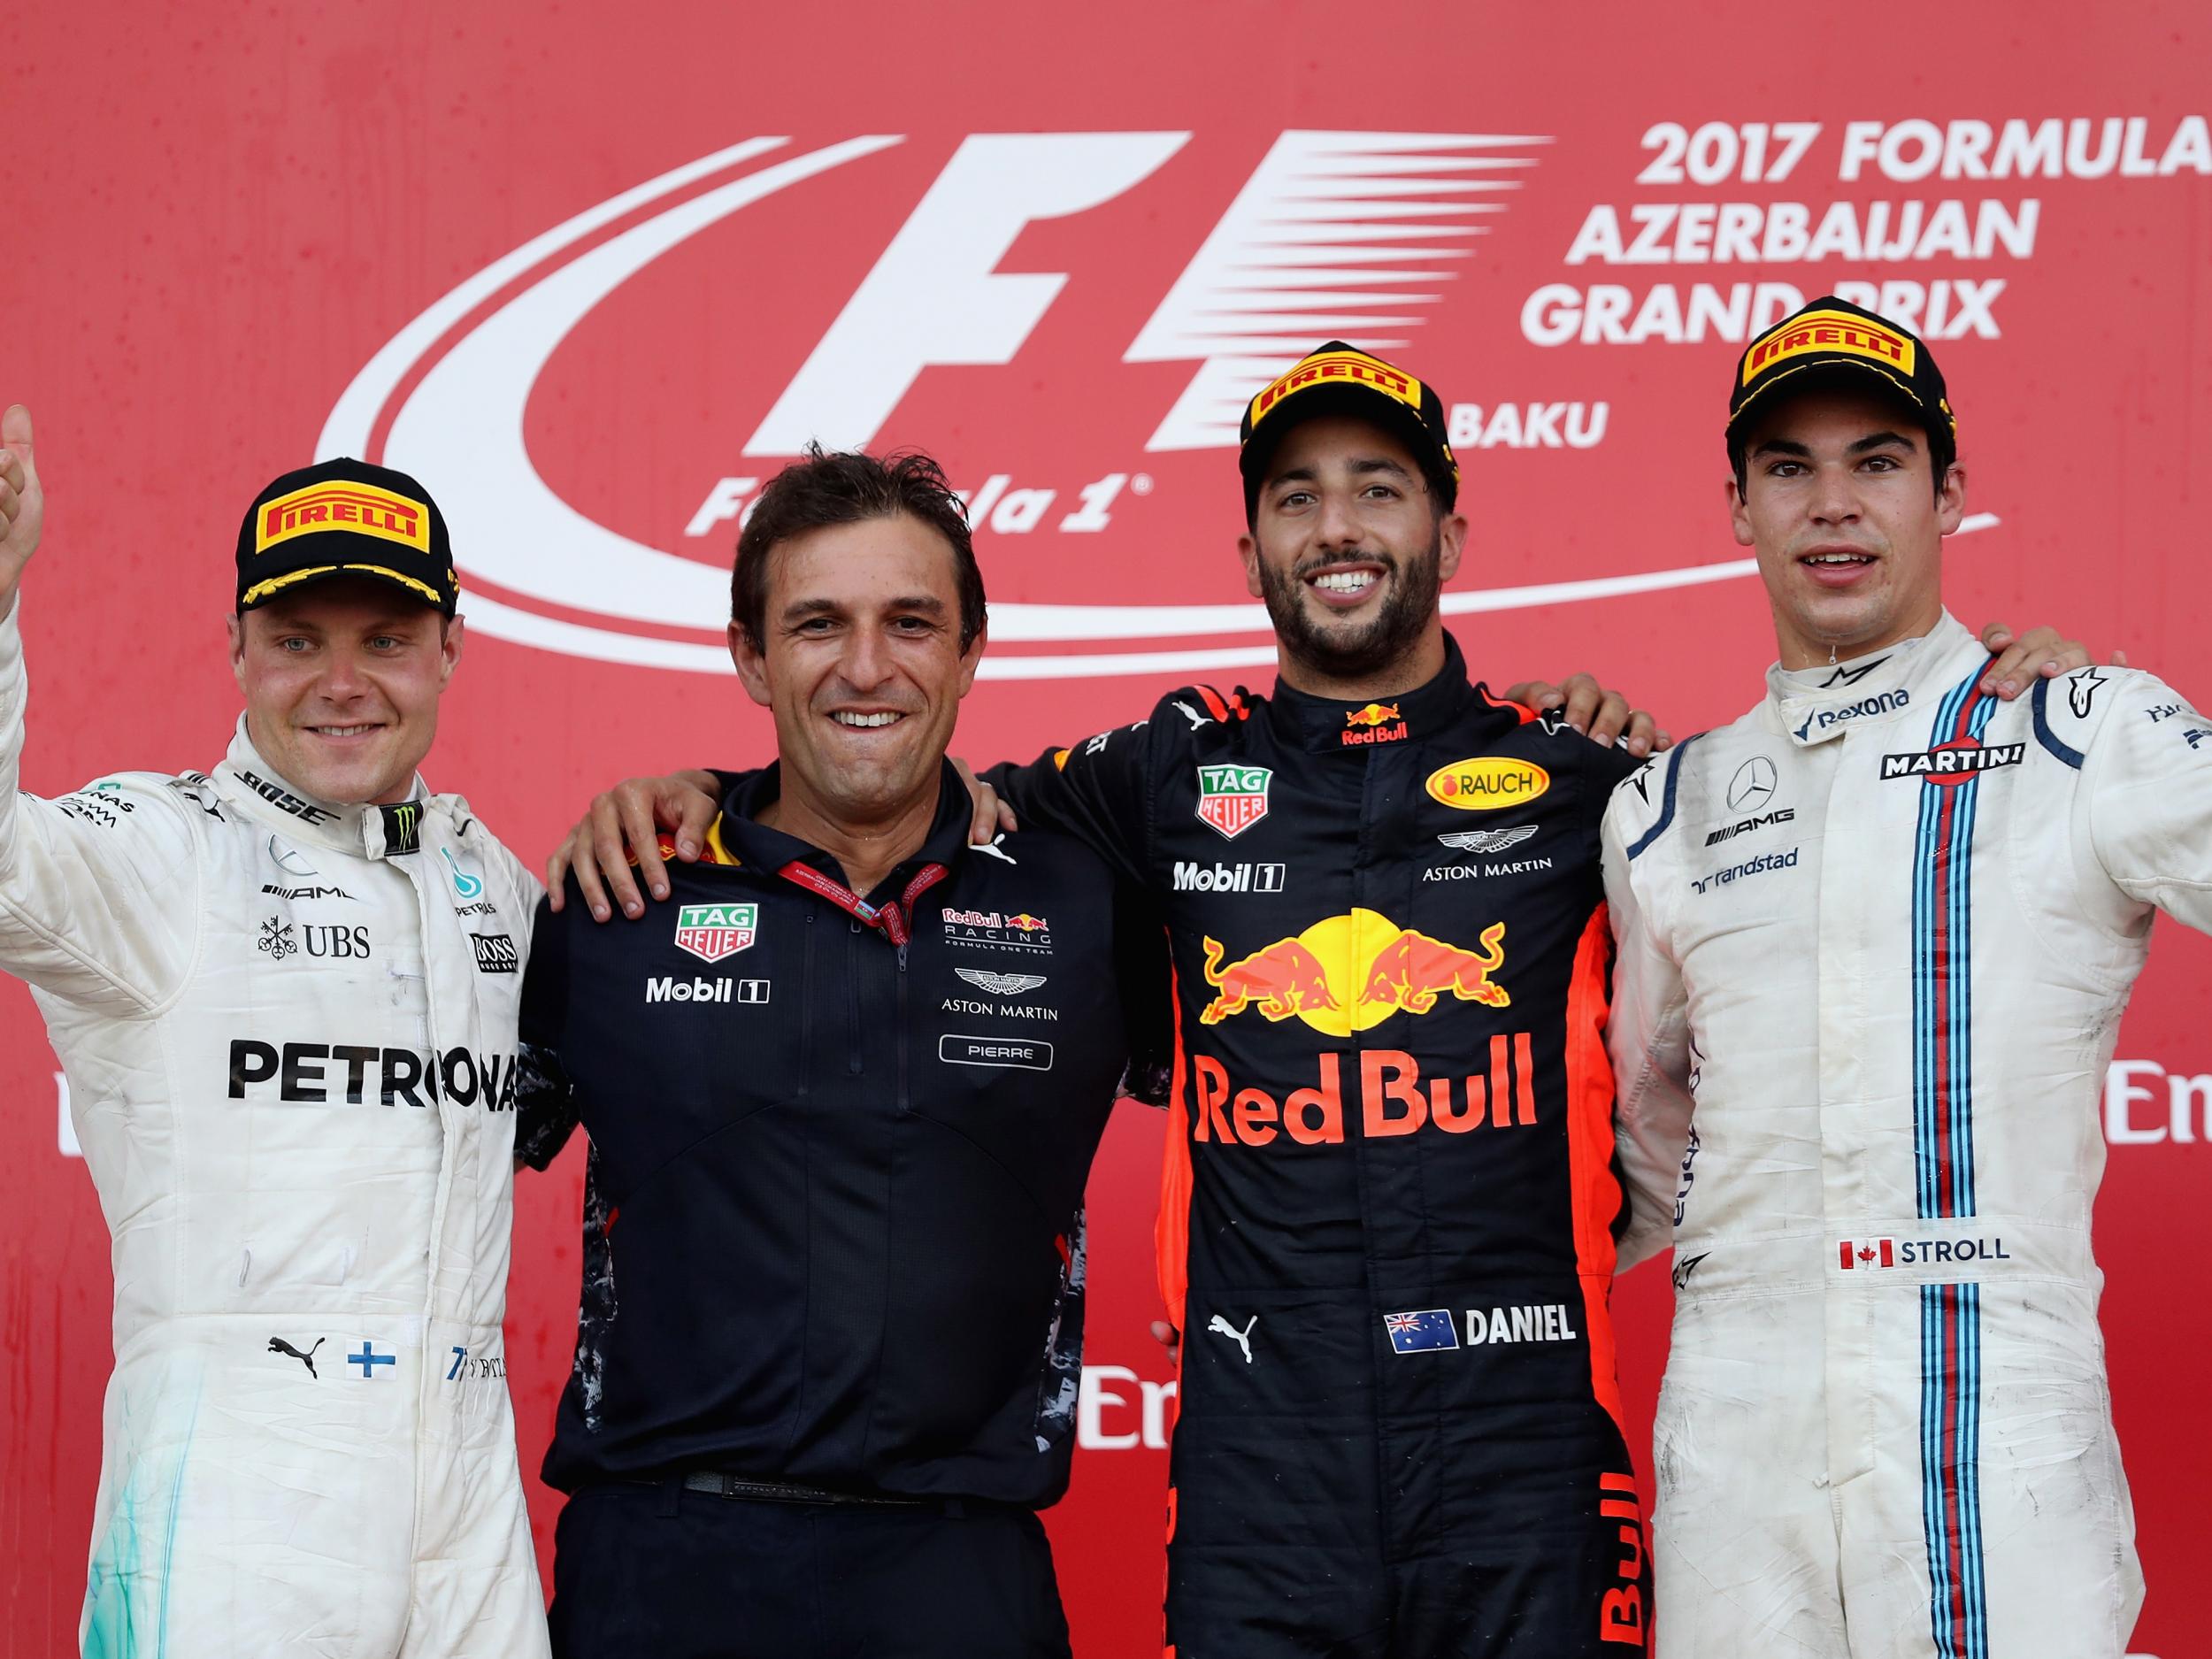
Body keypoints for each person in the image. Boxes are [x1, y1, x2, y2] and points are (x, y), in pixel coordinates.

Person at [553, 342, 2080, 1657]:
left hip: (1527, 1447)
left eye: (1378, 488)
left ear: (1451, 532)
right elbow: (885, 805)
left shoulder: (1599, 780)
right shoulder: (1146, 781)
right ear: (1249, 554)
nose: (1337, 526)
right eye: (1296, 496)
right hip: (1260, 1456)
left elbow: (1795, 935)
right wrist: (705, 796)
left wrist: (1998, 695)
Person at [1601, 296, 2199, 1658]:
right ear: (1739, 506)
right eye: (1789, 467)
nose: (1835, 505)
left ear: (1951, 491)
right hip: (1734, 1410)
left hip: (1998, 1390)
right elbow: (1641, 1140)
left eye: (1877, 461)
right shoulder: (1663, 803)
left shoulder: (2080, 727)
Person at [513, 446, 1166, 1659]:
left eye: (910, 623)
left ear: (971, 649)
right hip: (661, 1569)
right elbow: (409, 1167)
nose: (866, 668)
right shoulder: (616, 893)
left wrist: (1556, 758)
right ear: (751, 656)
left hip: (963, 1574)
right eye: (818, 624)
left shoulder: (1089, 901)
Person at [0, 412, 549, 1657]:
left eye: (388, 641)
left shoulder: (493, 885)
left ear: (451, 649)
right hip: (232, 1524)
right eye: (297, 640)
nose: (342, 683)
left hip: (469, 1521)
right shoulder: (158, 852)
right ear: (238, 650)